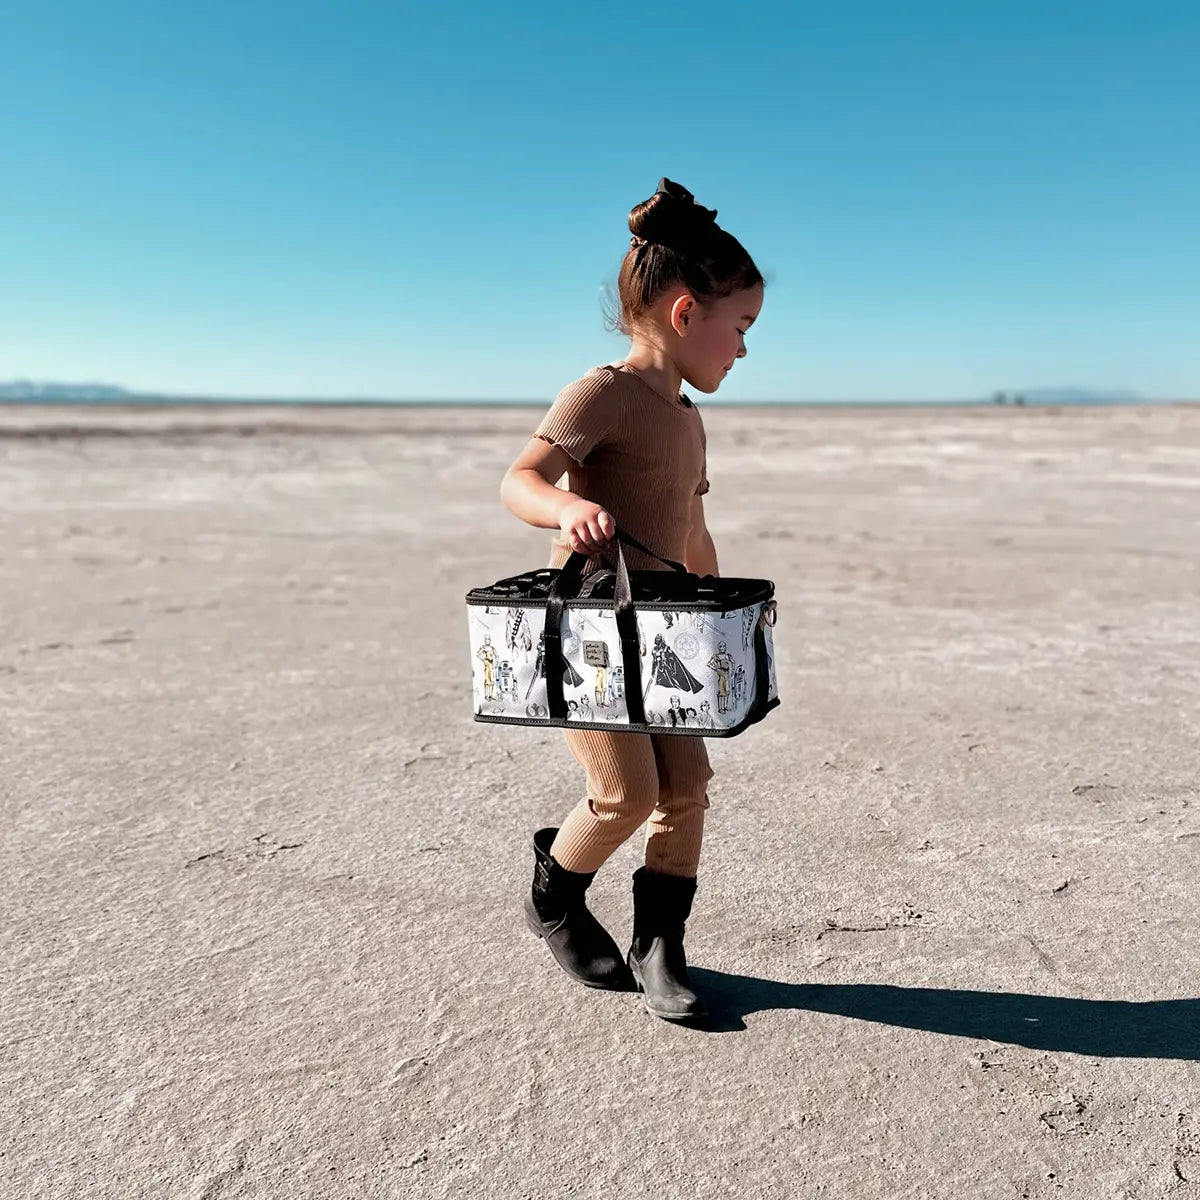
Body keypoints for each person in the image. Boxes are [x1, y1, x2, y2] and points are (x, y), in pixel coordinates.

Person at [499, 178, 764, 1022]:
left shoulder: (688, 419)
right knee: (626, 793)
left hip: (670, 628)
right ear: (687, 315)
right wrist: (568, 507)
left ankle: (660, 944)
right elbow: (521, 479)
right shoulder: (603, 392)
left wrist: (719, 606)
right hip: (590, 629)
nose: (745, 351)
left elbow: (688, 526)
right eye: (743, 329)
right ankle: (555, 897)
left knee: (686, 785)